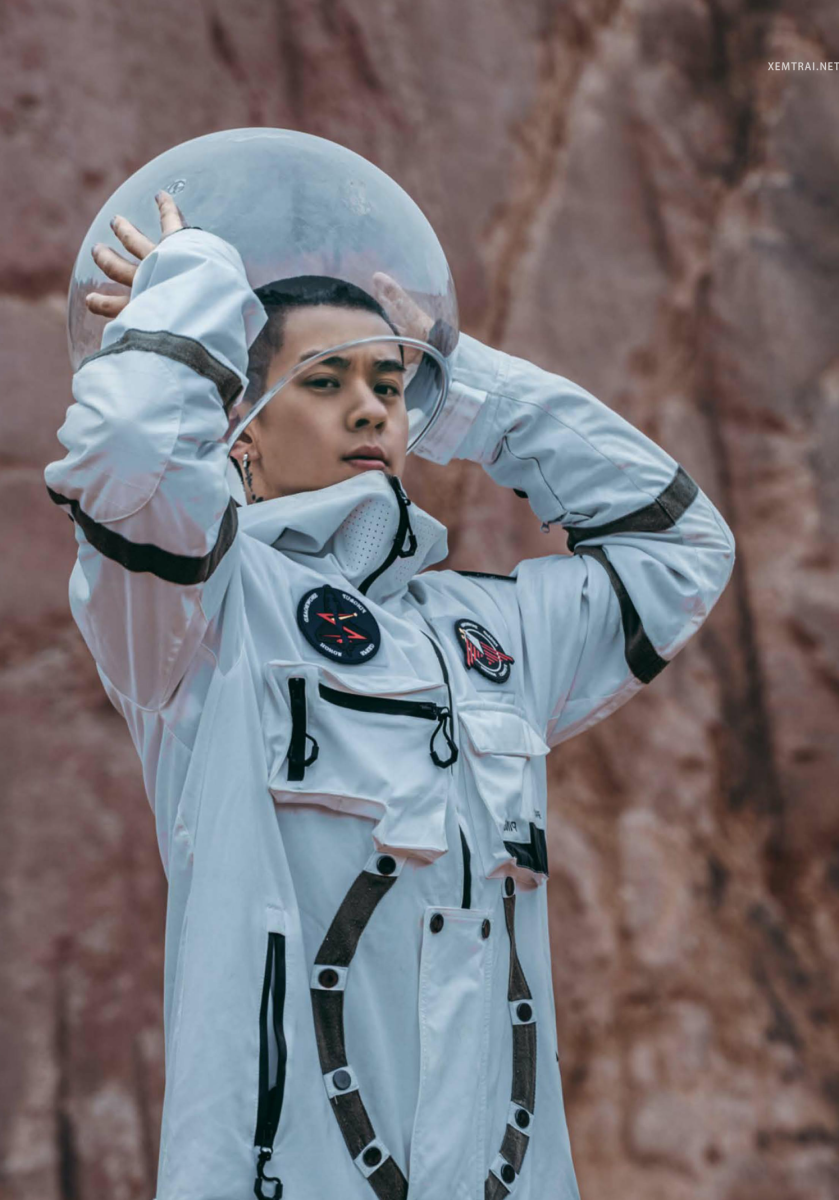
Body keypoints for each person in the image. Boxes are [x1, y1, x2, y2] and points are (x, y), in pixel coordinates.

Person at [45, 191, 735, 1200]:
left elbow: (680, 548)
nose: (372, 408)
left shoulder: (489, 633)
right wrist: (193, 285)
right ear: (240, 430)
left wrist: (460, 383)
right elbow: (127, 455)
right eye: (325, 381)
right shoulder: (202, 615)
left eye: (390, 385)